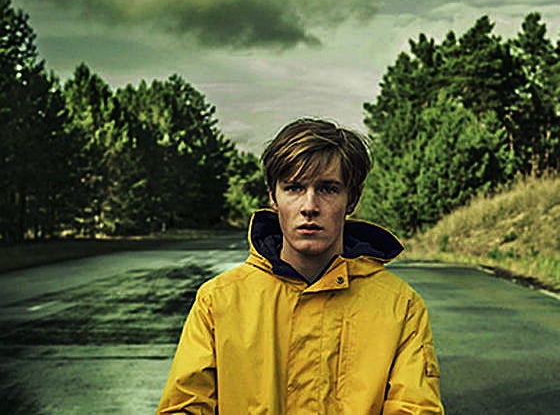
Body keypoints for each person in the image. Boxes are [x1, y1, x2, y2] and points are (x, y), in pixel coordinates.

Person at [157, 118, 444, 414]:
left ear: (352, 199)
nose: (309, 206)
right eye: (294, 188)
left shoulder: (400, 307)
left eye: (328, 189)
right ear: (273, 197)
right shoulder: (218, 302)